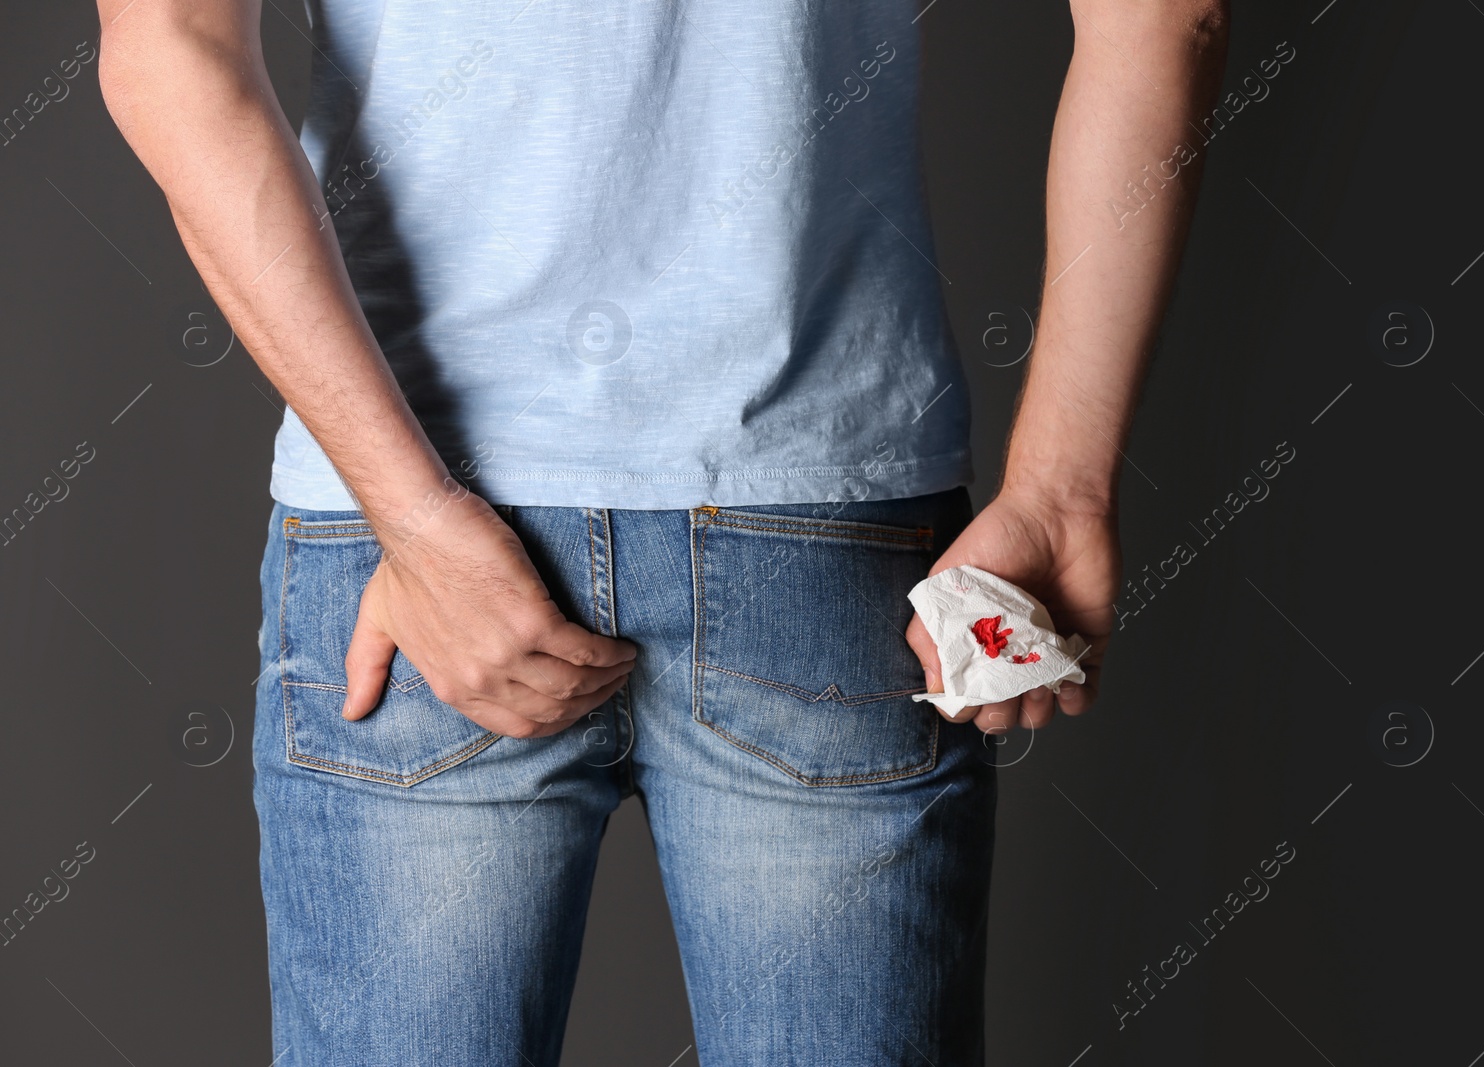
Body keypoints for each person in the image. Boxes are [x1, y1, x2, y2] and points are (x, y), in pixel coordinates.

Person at [97, 0, 1227, 1062]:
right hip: (818, 514)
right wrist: (1064, 487)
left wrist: (417, 516)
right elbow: (1165, 20)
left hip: (412, 550)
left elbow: (168, 45)